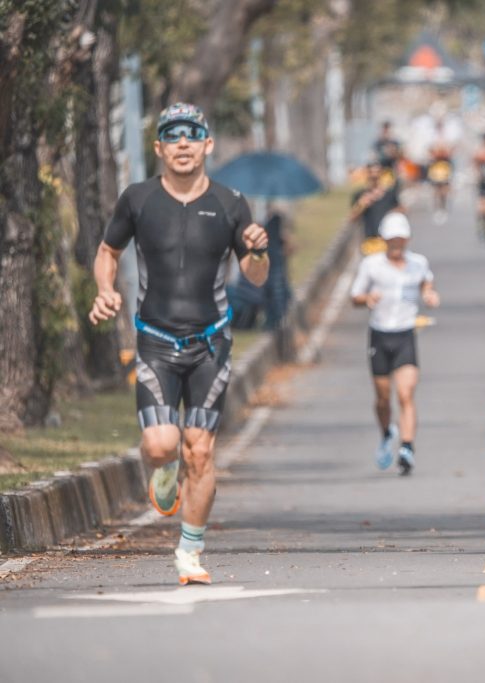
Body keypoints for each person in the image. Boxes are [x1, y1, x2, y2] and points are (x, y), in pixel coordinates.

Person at [88, 102, 269, 585]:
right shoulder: (138, 199)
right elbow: (109, 252)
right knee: (163, 444)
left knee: (201, 451)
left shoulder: (231, 203)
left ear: (208, 144)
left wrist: (258, 249)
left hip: (211, 344)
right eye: (172, 135)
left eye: (192, 135)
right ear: (159, 148)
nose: (183, 143)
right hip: (155, 343)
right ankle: (162, 472)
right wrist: (106, 290)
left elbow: (254, 275)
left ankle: (190, 551)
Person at [350, 212, 440, 475]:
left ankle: (407, 447)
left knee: (405, 394)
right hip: (380, 334)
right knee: (382, 398)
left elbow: (427, 281)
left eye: (401, 240)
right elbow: (354, 296)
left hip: (405, 334)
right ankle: (387, 431)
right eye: (392, 240)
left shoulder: (418, 263)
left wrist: (429, 294)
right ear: (384, 240)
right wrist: (367, 298)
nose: (397, 245)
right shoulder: (372, 265)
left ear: (408, 239)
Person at [350, 160, 402, 255]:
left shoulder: (389, 193)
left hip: (387, 240)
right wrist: (362, 205)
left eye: (377, 172)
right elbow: (352, 218)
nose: (374, 176)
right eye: (371, 172)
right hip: (370, 241)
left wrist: (392, 213)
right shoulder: (360, 195)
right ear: (367, 173)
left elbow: (400, 210)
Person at [426, 120, 454, 223]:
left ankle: (443, 206)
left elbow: (449, 151)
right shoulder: (432, 136)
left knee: (444, 188)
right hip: (436, 166)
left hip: (444, 165)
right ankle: (437, 208)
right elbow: (431, 152)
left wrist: (442, 152)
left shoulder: (447, 136)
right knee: (436, 188)